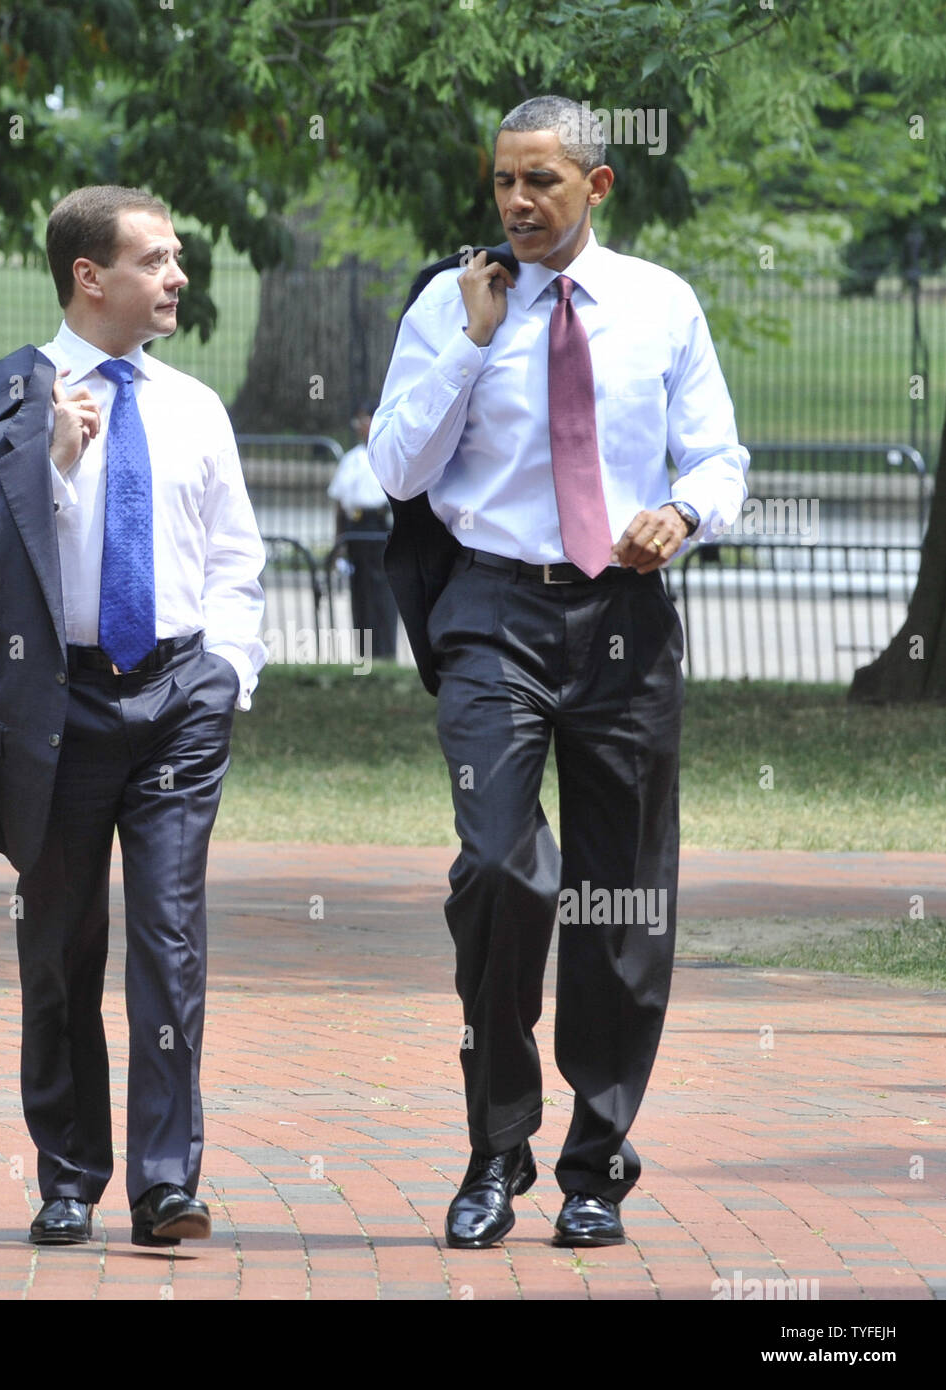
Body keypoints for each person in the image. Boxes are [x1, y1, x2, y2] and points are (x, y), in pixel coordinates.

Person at [368, 96, 748, 1249]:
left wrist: (682, 510)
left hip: (623, 616)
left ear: (598, 185)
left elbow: (721, 454)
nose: (519, 204)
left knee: (621, 892)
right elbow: (394, 462)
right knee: (498, 868)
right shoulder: (453, 299)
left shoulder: (661, 304)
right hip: (490, 606)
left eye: (543, 182)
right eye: (503, 184)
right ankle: (496, 1147)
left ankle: (596, 1158)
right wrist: (477, 338)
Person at [0, 185, 267, 1249]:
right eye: (156, 259)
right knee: (60, 945)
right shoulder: (13, 404)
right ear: (89, 277)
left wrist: (229, 673)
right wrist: (51, 466)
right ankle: (69, 1174)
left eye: (178, 257)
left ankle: (166, 1183)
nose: (178, 277)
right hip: (53, 706)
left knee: (168, 936)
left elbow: (236, 554)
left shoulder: (195, 405)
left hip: (178, 701)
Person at [327, 401, 398, 661]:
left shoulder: (389, 455)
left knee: (385, 592)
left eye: (365, 419)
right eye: (358, 421)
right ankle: (366, 653)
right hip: (357, 528)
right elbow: (339, 505)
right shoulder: (353, 459)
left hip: (381, 527)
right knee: (362, 592)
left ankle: (386, 651)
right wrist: (339, 543)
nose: (361, 426)